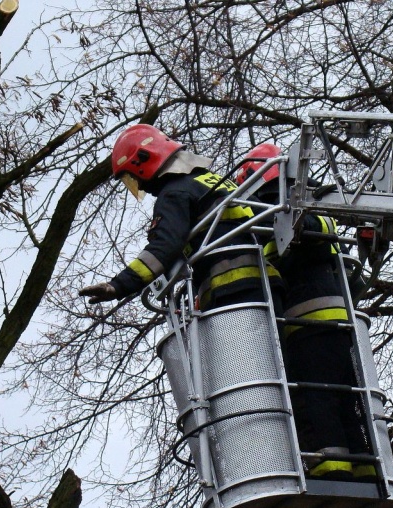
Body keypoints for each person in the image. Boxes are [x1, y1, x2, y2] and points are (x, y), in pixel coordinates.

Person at [237, 143, 376, 481]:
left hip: (306, 321)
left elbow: (283, 250)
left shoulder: (278, 207)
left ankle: (330, 462)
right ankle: (363, 463)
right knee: (347, 396)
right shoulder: (310, 201)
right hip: (339, 322)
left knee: (317, 394)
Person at [79, 124, 280, 309]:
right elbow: (272, 222)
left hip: (231, 291)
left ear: (144, 158)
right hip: (272, 286)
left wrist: (118, 286)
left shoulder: (175, 193)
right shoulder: (218, 182)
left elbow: (164, 247)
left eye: (133, 176)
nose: (138, 185)